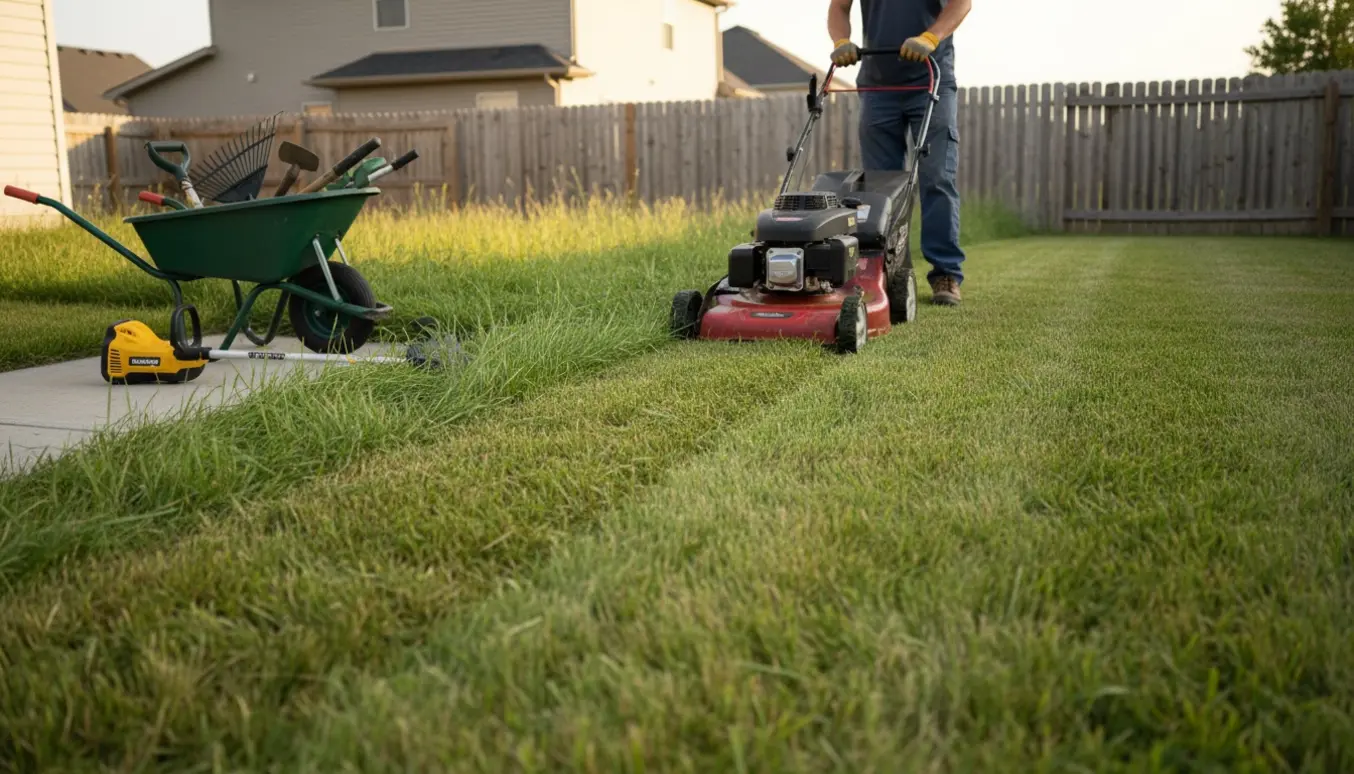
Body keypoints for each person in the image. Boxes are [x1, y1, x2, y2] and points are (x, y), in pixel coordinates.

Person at [828, 0, 971, 307]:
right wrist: (841, 41)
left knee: (937, 177)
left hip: (931, 78)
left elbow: (962, 4)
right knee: (880, 190)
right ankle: (886, 273)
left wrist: (930, 37)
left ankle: (945, 273)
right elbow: (839, 7)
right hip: (879, 85)